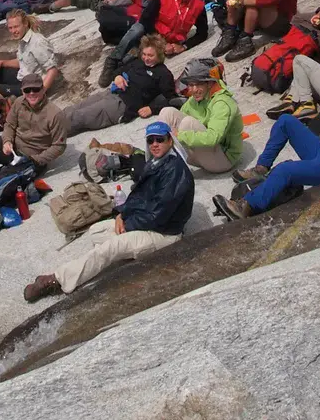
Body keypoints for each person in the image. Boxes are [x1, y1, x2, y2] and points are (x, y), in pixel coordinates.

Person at [23, 121, 193, 302]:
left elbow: (160, 213)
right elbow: (138, 195)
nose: (155, 144)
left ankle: (57, 280)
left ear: (170, 141)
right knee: (96, 232)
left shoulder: (176, 171)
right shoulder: (156, 162)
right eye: (151, 140)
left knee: (109, 248)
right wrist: (122, 214)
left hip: (164, 233)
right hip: (146, 221)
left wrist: (129, 225)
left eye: (160, 139)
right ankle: (119, 255)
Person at [64, 36, 179, 135]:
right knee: (74, 108)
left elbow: (172, 100)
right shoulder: (138, 62)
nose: (146, 58)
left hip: (121, 105)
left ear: (159, 56)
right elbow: (118, 70)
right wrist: (117, 77)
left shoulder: (163, 74)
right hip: (111, 92)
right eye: (144, 54)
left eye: (150, 55)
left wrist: (152, 109)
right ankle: (49, 123)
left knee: (80, 116)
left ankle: (50, 135)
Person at [157, 58, 243, 174]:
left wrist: (179, 135)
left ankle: (169, 168)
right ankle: (159, 165)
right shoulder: (197, 98)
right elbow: (179, 115)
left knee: (188, 123)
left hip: (222, 159)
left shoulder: (222, 103)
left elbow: (213, 138)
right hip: (202, 154)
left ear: (210, 83)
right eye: (191, 85)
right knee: (167, 112)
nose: (193, 90)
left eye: (198, 84)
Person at [95, 0, 164, 79]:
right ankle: (120, 42)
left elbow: (152, 8)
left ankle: (113, 59)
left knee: (132, 29)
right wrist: (114, 3)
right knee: (105, 14)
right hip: (133, 10)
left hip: (143, 18)